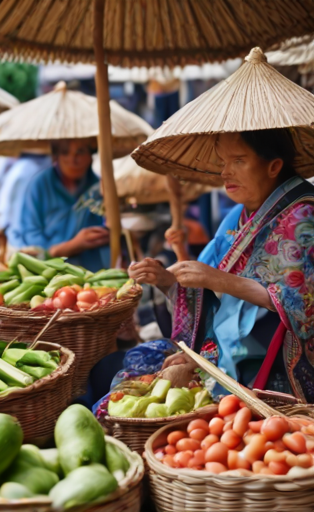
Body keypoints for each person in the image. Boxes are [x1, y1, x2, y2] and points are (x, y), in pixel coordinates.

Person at [130, 129, 314, 401]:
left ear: (274, 166)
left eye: (238, 161)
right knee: (134, 365)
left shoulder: (304, 216)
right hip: (223, 354)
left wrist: (219, 280)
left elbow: (298, 307)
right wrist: (163, 279)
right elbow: (200, 284)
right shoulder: (236, 217)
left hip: (275, 370)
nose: (225, 173)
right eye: (223, 161)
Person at [13, 139, 110, 271]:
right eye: (65, 152)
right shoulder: (39, 185)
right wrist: (70, 246)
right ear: (56, 156)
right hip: (47, 270)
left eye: (80, 152)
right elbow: (31, 235)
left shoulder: (100, 187)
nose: (73, 159)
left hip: (92, 272)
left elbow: (109, 229)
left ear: (91, 156)